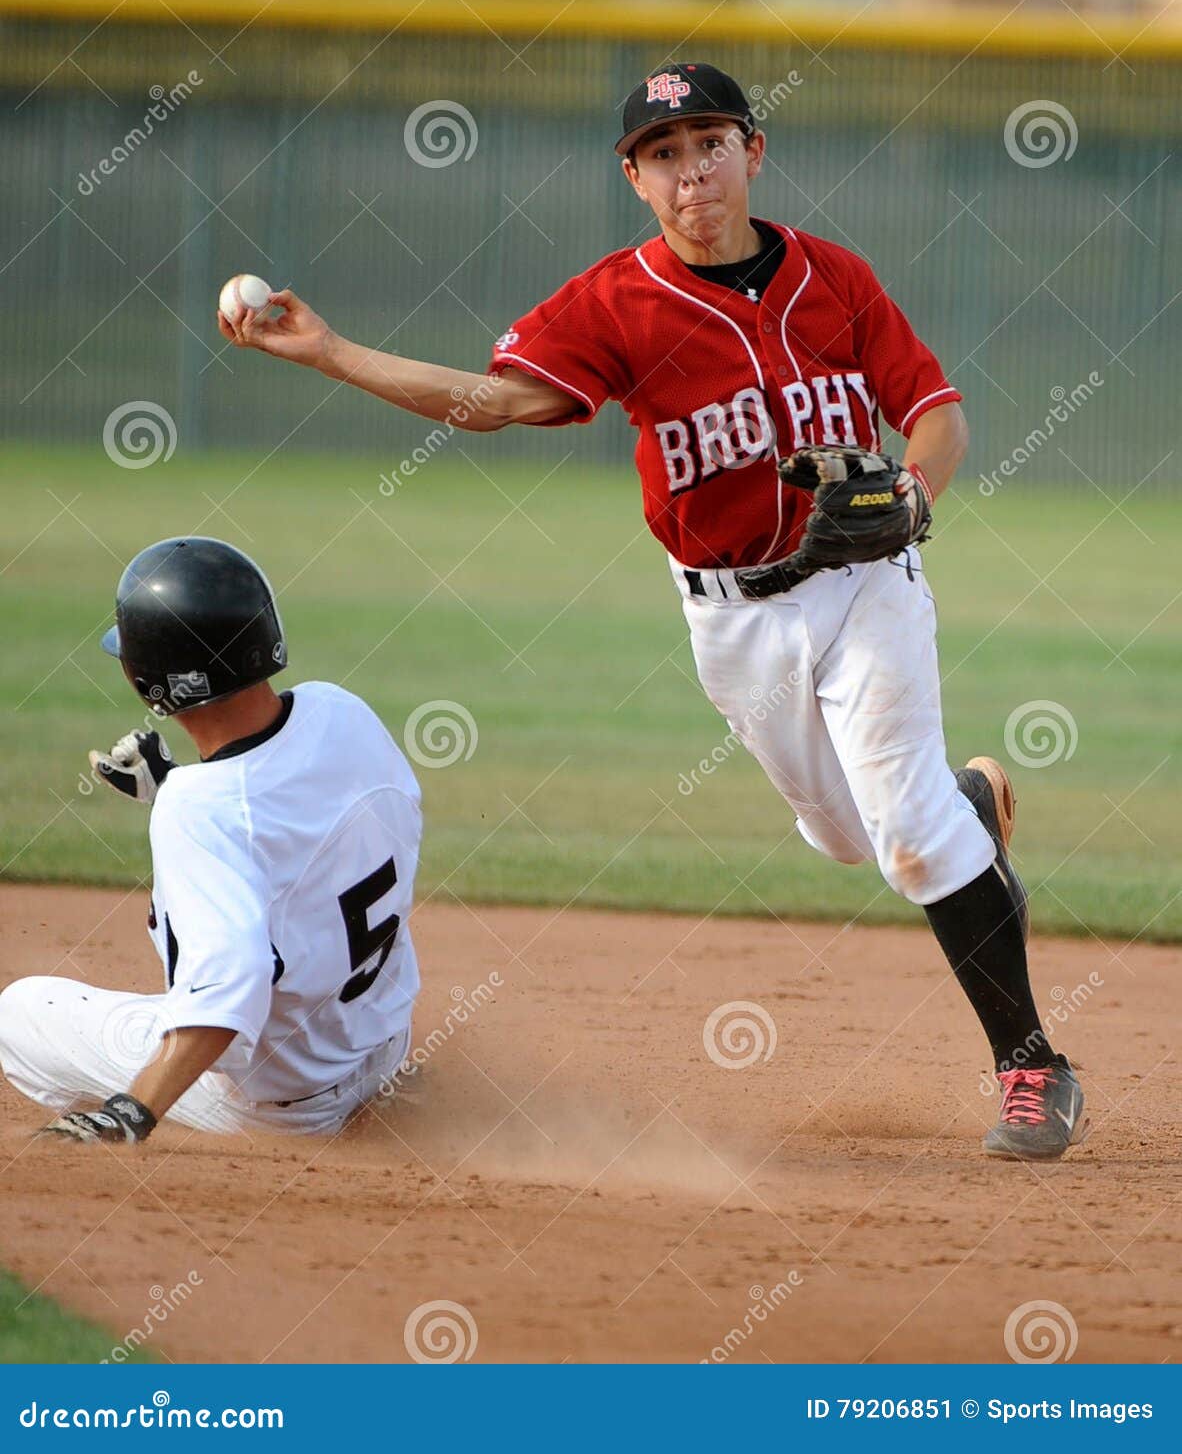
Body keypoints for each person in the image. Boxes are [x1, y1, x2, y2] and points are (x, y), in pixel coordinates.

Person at [216, 63, 1087, 1161]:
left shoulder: (836, 277)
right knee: (847, 838)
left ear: (752, 152)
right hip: (733, 621)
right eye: (664, 155)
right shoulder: (614, 305)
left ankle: (1031, 1065)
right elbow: (495, 404)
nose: (692, 173)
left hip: (868, 584)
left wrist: (912, 496)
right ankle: (965, 807)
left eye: (710, 143)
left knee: (912, 839)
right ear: (635, 177)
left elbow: (938, 415)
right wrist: (331, 351)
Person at [0, 536, 420, 1141]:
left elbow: (231, 984)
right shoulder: (342, 710)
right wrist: (174, 783)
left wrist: (129, 1114)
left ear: (148, 680)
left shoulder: (196, 809)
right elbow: (305, 826)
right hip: (382, 1050)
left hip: (283, 1108)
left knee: (21, 1009)